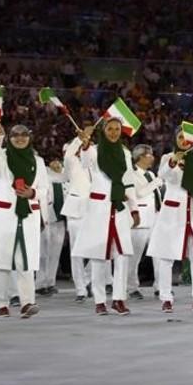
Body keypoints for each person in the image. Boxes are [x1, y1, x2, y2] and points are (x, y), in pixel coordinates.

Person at [0, 123, 49, 319]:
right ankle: (1, 304)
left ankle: (27, 303)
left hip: (28, 215)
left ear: (30, 137)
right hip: (4, 215)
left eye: (24, 134)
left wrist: (33, 192)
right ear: (10, 137)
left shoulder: (38, 161)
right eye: (15, 135)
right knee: (2, 261)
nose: (20, 138)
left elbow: (45, 190)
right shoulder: (1, 156)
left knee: (26, 260)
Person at [73, 119, 141, 316]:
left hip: (119, 207)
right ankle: (100, 300)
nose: (113, 132)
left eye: (117, 129)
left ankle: (119, 299)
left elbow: (128, 181)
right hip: (99, 207)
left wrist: (134, 208)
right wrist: (84, 144)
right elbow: (85, 163)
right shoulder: (94, 149)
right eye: (109, 129)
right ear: (103, 130)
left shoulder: (126, 153)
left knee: (122, 255)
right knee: (99, 256)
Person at [148, 127, 193, 314]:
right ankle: (166, 298)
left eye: (187, 137)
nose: (184, 140)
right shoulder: (168, 157)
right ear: (175, 138)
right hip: (172, 214)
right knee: (167, 257)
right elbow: (162, 175)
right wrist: (174, 161)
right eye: (180, 137)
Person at [60, 129, 93, 302]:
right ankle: (80, 288)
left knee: (98, 250)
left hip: (94, 209)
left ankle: (87, 279)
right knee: (77, 252)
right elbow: (68, 156)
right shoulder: (71, 161)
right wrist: (78, 139)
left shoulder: (94, 162)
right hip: (75, 210)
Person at [126, 144, 160, 301]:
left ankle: (160, 286)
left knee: (159, 253)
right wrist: (157, 182)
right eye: (149, 155)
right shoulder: (131, 174)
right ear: (140, 157)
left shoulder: (151, 175)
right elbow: (139, 193)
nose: (152, 157)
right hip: (140, 219)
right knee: (135, 256)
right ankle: (131, 287)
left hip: (155, 217)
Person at [36, 159, 67, 297]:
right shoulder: (45, 177)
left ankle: (50, 282)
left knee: (55, 253)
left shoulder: (67, 179)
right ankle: (39, 283)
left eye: (59, 162)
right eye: (53, 162)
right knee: (43, 254)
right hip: (46, 219)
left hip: (60, 221)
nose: (57, 164)